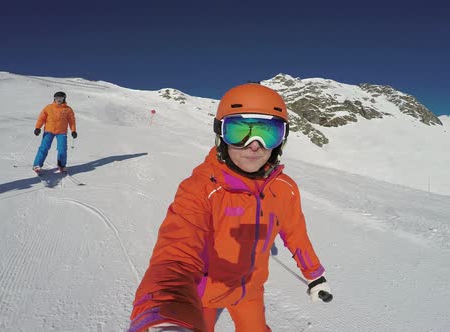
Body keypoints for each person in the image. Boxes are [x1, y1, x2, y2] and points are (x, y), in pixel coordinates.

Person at [129, 83, 331, 332]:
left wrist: (314, 274)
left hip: (250, 293)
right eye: (239, 131)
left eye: (268, 133)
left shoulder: (284, 189)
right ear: (220, 135)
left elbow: (295, 234)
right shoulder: (199, 188)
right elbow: (176, 255)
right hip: (205, 295)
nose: (254, 145)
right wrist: (166, 315)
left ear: (281, 141)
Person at [32, 91, 77, 173]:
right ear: (54, 99)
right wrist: (38, 127)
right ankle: (37, 165)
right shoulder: (48, 107)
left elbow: (72, 121)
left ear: (64, 99)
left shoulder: (68, 109)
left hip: (61, 132)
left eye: (61, 98)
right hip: (49, 131)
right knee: (44, 148)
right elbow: (41, 118)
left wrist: (73, 130)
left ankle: (61, 165)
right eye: (57, 98)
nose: (59, 100)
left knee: (62, 149)